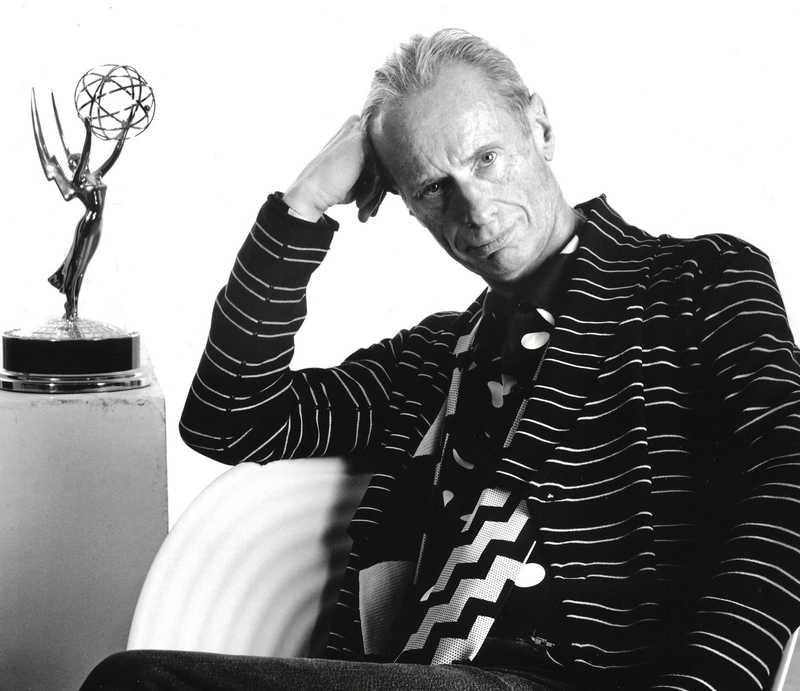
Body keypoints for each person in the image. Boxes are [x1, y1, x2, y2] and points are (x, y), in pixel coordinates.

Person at [81, 28, 800, 690]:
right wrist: (301, 207)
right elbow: (229, 418)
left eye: (486, 157)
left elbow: (788, 476)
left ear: (540, 127)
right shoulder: (430, 358)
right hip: (425, 674)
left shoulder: (698, 283)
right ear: (408, 206)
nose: (476, 207)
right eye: (433, 187)